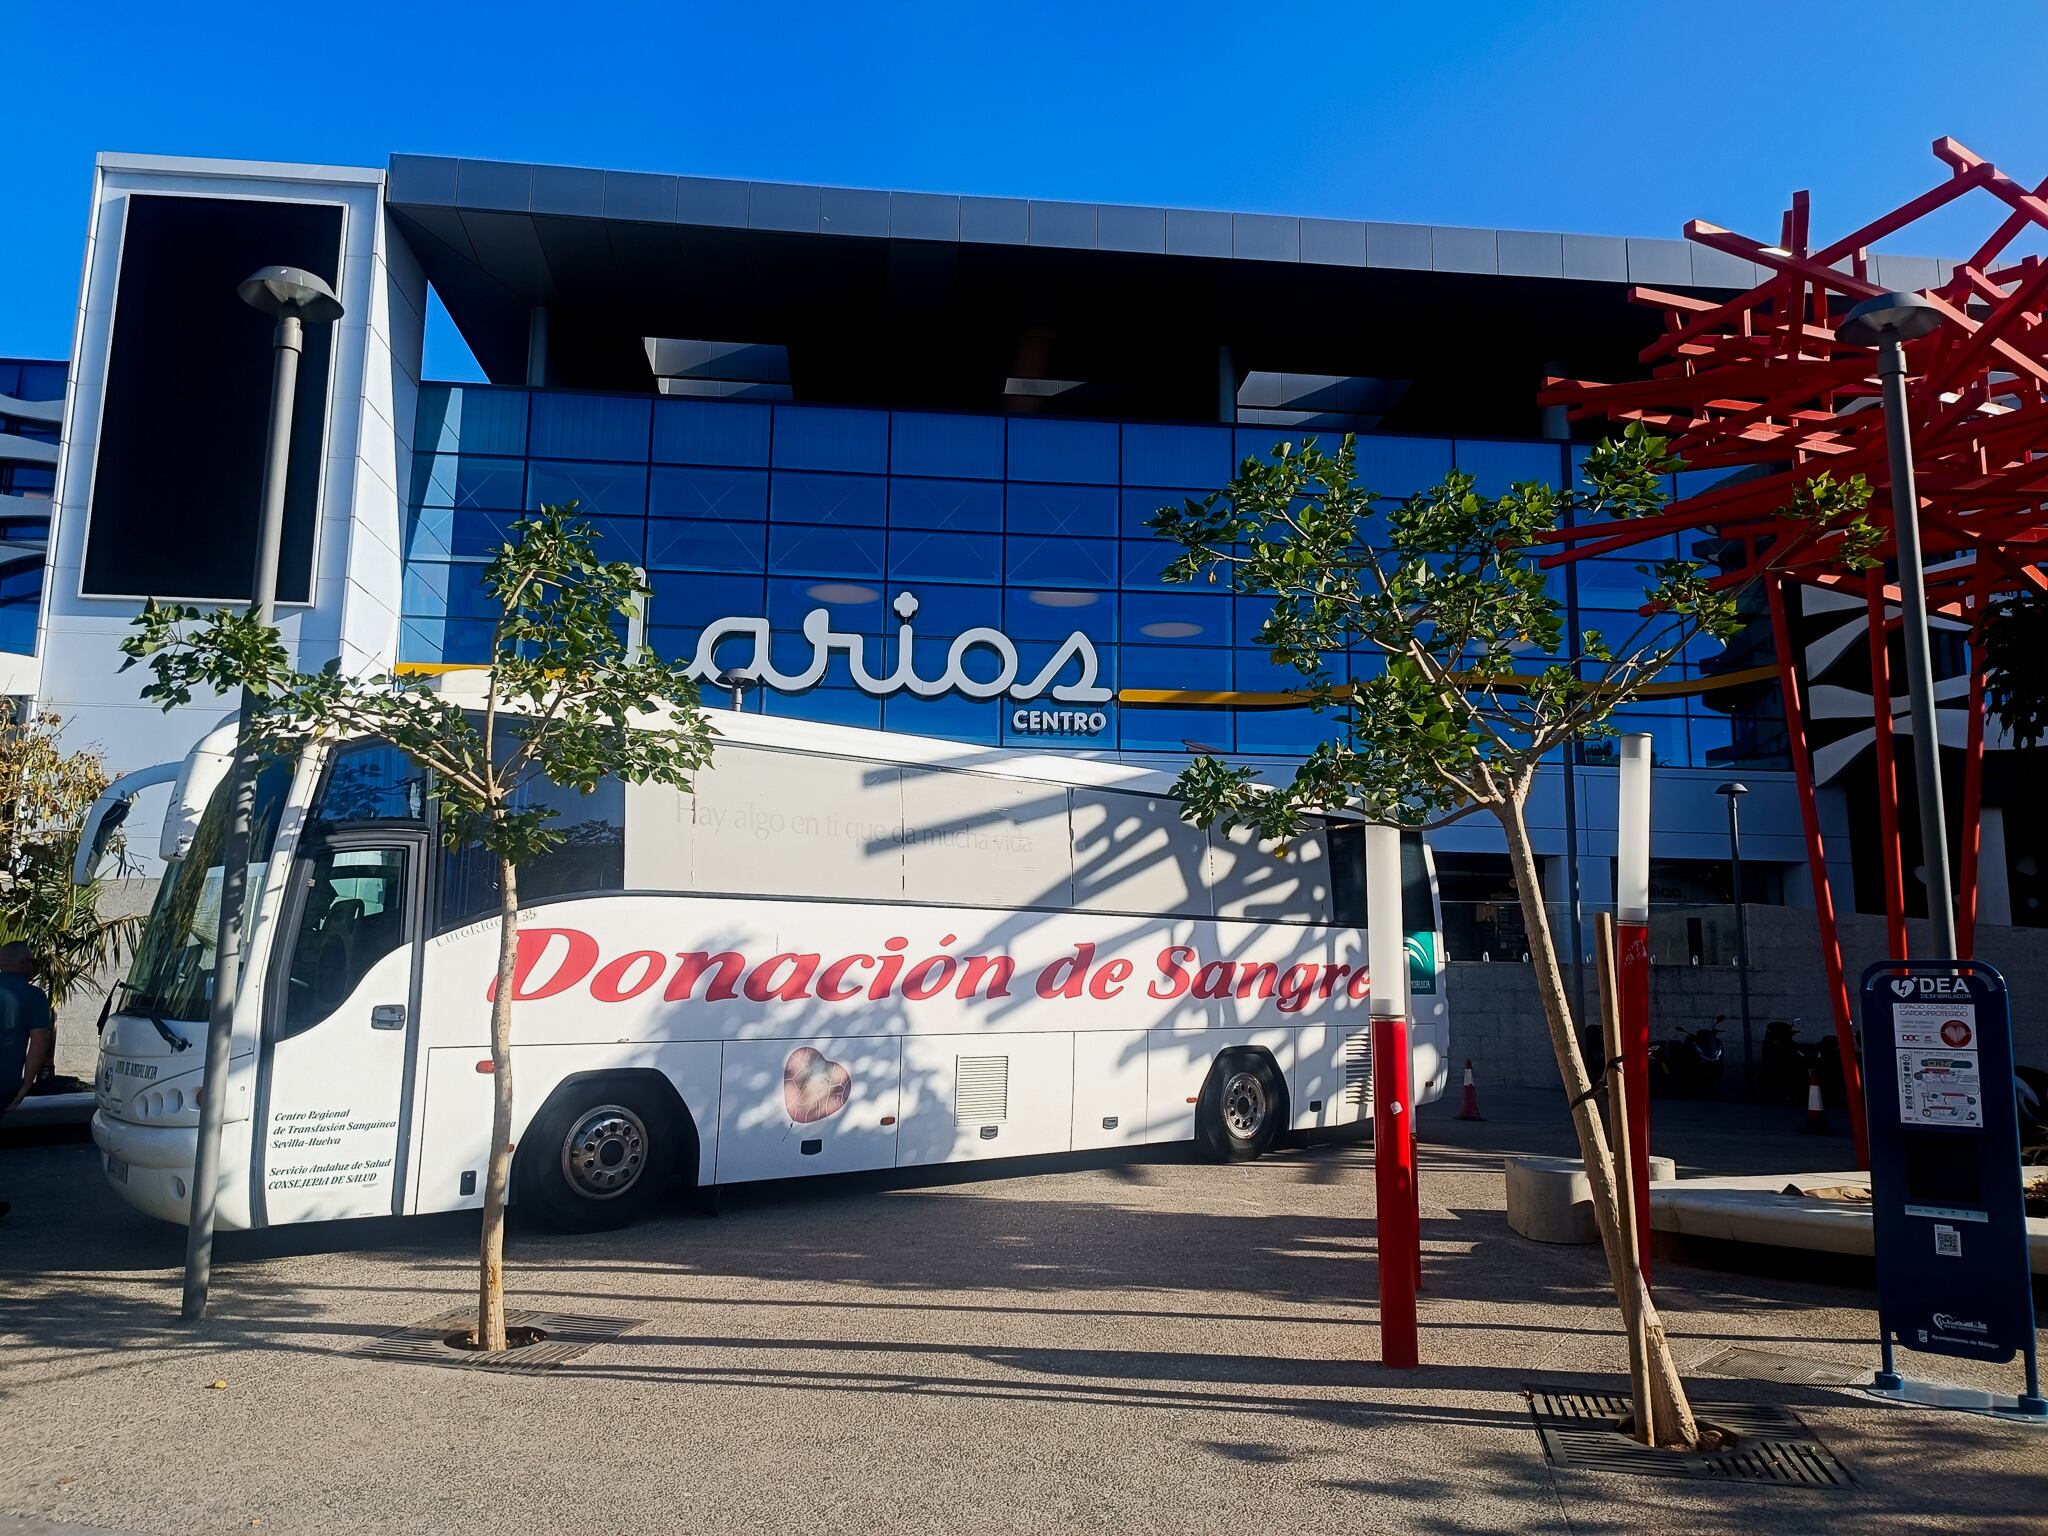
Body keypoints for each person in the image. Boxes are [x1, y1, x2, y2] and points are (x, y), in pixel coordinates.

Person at [0, 940, 53, 1221]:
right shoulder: (32, 996)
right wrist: (27, 1083)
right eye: (31, 961)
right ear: (22, 965)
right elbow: (39, 1040)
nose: (34, 966)